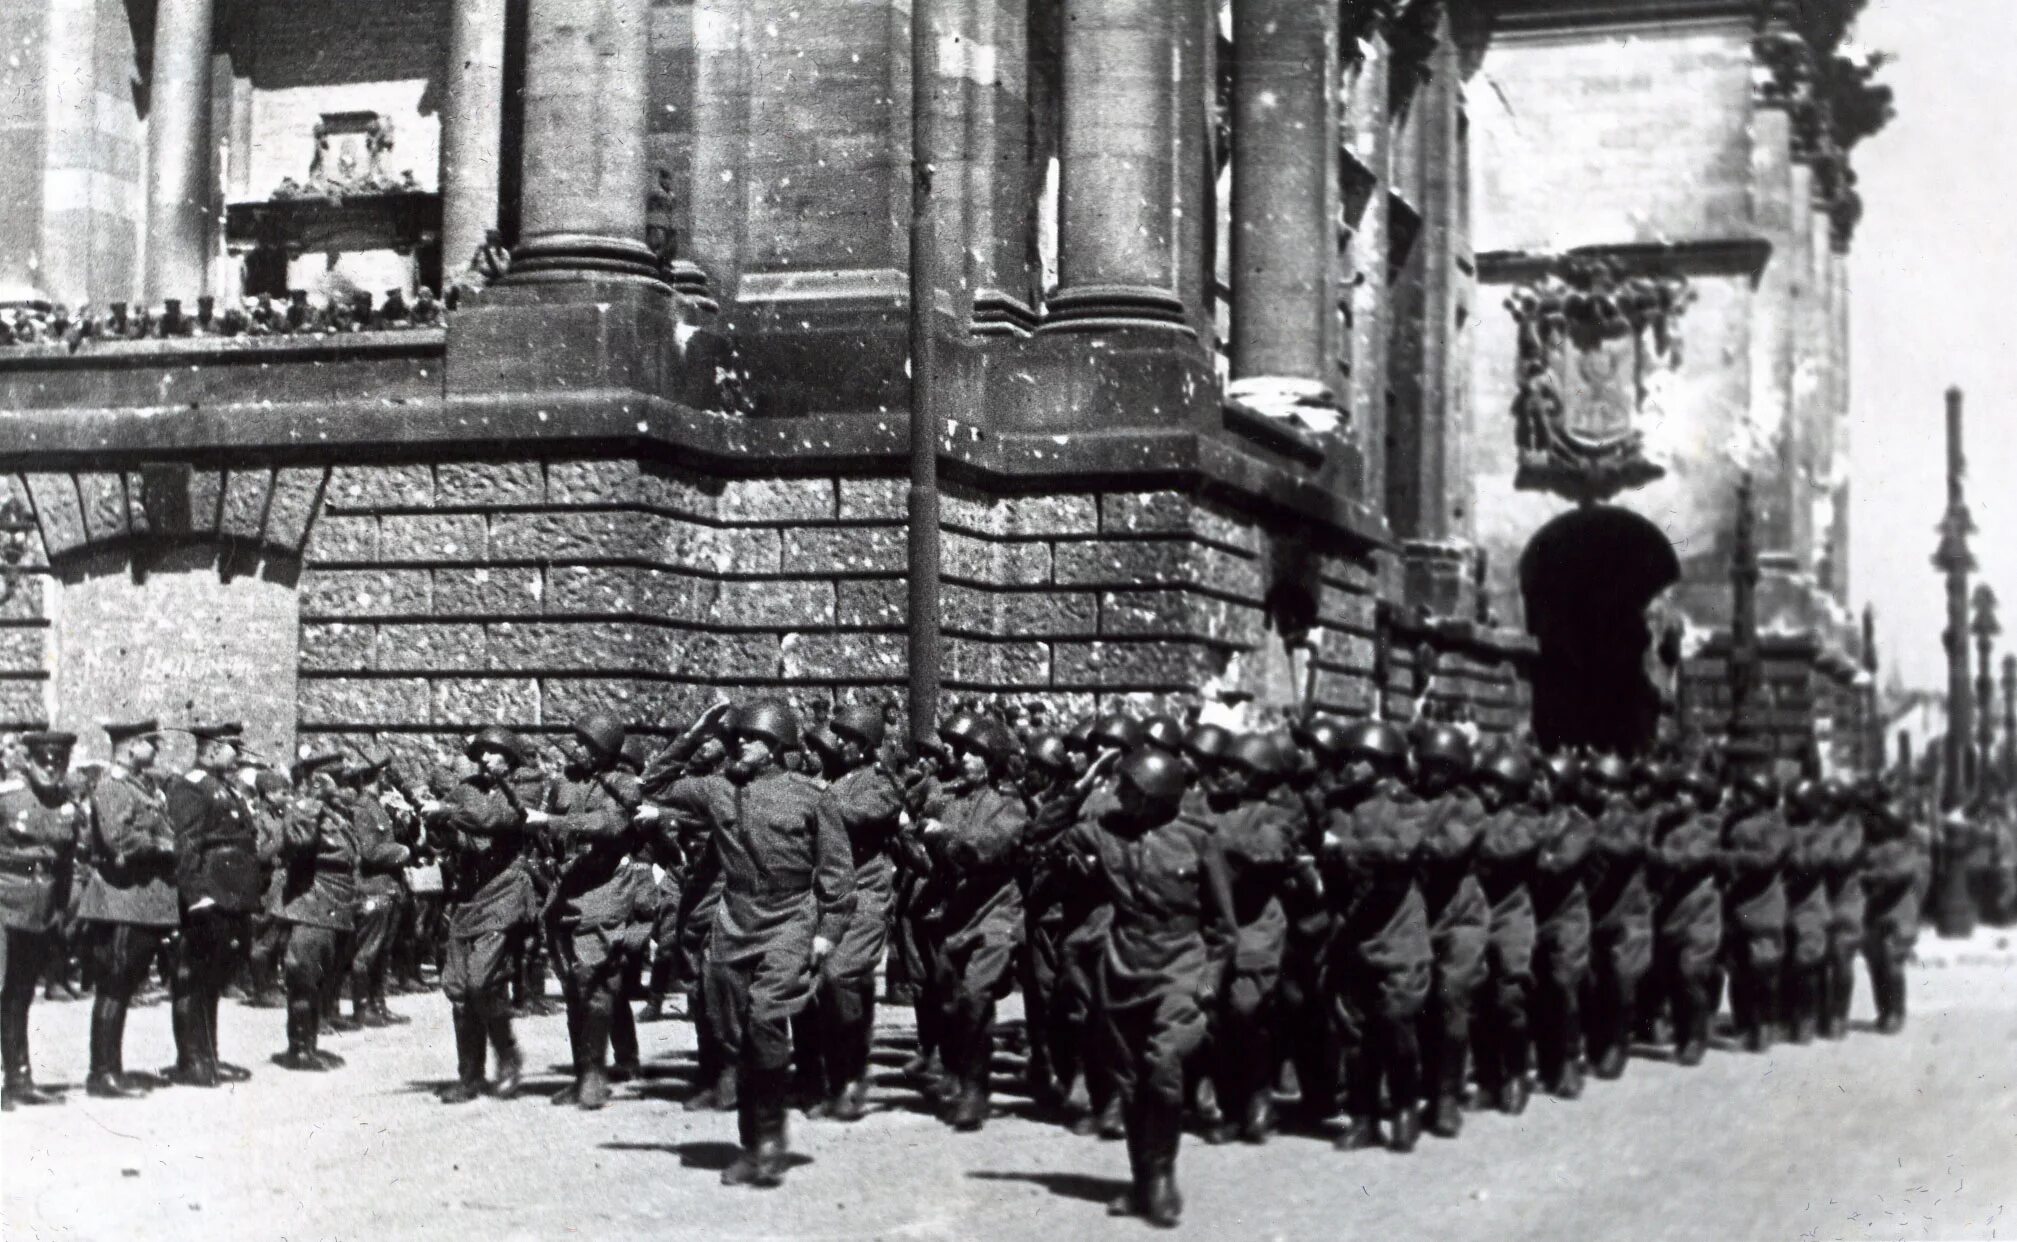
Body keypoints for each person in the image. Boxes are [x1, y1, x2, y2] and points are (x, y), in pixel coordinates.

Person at [1028, 746, 1233, 1227]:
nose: (1116, 794)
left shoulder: (1198, 840)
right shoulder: (1105, 830)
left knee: (1163, 1068)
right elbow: (1039, 835)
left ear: (1153, 796)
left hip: (1180, 966)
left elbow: (1224, 929)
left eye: (1126, 788)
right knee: (1132, 1082)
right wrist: (1080, 784)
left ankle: (1162, 1177)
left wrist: (1209, 979)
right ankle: (1143, 1182)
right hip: (1121, 968)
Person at [655, 700, 855, 1189]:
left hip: (791, 916)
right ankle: (752, 1142)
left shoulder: (810, 798)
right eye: (737, 737)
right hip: (736, 918)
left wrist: (828, 933)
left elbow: (837, 876)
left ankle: (767, 1143)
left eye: (753, 738)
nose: (741, 744)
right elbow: (653, 787)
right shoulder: (717, 789)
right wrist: (693, 731)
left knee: (766, 1019)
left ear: (778, 747)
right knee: (736, 1036)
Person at [906, 713, 1027, 1132]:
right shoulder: (948, 801)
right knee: (947, 999)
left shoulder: (1008, 805)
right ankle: (956, 1072)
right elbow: (937, 858)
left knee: (976, 999)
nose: (963, 759)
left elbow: (986, 850)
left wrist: (942, 838)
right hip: (954, 915)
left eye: (974, 752)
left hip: (995, 913)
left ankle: (975, 1090)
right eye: (961, 752)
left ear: (991, 759)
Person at [1317, 720, 1433, 1153]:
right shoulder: (1339, 809)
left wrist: (1345, 850)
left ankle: (1404, 1105)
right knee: (1355, 1031)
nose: (1350, 767)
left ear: (1385, 763)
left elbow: (1401, 851)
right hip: (1352, 932)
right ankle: (1363, 1116)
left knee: (1397, 1023)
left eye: (1360, 758)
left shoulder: (1410, 807)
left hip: (1398, 931)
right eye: (1346, 758)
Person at [420, 725, 544, 1103]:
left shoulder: (527, 785)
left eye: (492, 752)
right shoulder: (469, 788)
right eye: (481, 754)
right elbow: (467, 840)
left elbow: (497, 821)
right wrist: (439, 826)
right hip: (470, 897)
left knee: (480, 981)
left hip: (505, 892)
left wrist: (450, 810)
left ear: (510, 756)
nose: (485, 759)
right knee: (459, 990)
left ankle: (508, 1058)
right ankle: (470, 1074)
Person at [530, 713, 644, 1111]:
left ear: (603, 750)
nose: (576, 750)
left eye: (585, 744)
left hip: (604, 891)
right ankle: (582, 1073)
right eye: (576, 742)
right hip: (566, 892)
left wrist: (557, 822)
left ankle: (596, 1073)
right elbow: (547, 831)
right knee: (573, 988)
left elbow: (610, 824)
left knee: (596, 981)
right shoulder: (563, 783)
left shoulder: (624, 783)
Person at [1197, 732, 1297, 1146]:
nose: (1225, 775)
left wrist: (1214, 842)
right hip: (1213, 926)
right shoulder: (1207, 809)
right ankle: (1231, 1105)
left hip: (1256, 926)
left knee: (1247, 1008)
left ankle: (1259, 1096)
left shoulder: (1274, 815)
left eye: (1237, 770)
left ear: (1259, 777)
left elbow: (1268, 854)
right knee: (1215, 1016)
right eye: (1224, 767)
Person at [804, 705, 903, 1121]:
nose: (838, 743)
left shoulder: (879, 784)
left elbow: (862, 814)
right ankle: (831, 1077)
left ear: (865, 746)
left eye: (847, 738)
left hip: (865, 893)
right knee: (821, 983)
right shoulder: (832, 782)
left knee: (839, 975)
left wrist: (817, 802)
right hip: (824, 893)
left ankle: (849, 1077)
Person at [75, 721, 180, 1098]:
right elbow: (118, 838)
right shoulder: (113, 785)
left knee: (123, 985)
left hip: (138, 901)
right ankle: (101, 1073)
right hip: (120, 901)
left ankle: (110, 1069)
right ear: (132, 745)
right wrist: (162, 845)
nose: (157, 750)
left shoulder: (138, 786)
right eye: (152, 743)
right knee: (114, 985)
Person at [163, 722, 264, 1088]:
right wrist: (196, 897)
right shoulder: (191, 786)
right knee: (192, 977)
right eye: (231, 748)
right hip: (208, 894)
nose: (237, 755)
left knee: (211, 979)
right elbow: (186, 845)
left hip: (229, 894)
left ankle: (208, 1055)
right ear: (211, 749)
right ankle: (192, 1059)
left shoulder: (224, 788)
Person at [1412, 725, 1488, 1136]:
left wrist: (1396, 839)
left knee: (1452, 999)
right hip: (1417, 914)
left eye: (1443, 766)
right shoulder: (1409, 798)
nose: (1433, 773)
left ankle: (1446, 1096)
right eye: (1428, 764)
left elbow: (1448, 848)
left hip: (1461, 915)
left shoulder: (1467, 805)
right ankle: (1418, 1088)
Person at [1, 731, 81, 1108]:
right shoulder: (8, 800)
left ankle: (18, 1079)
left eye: (59, 763)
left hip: (39, 912)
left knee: (19, 996)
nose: (51, 770)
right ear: (28, 762)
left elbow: (64, 865)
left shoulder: (67, 806)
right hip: (3, 905)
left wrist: (61, 913)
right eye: (44, 763)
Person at [1470, 744, 1540, 1113]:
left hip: (1512, 915)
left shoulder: (1527, 820)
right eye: (1486, 783)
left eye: (1499, 785)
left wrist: (1468, 836)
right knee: (1478, 999)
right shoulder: (1476, 812)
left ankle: (1516, 1074)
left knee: (1509, 996)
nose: (1489, 791)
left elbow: (1503, 850)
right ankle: (1486, 1077)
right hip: (1476, 912)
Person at [1579, 754, 1654, 1081]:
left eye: (1602, 784)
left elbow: (1628, 847)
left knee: (1621, 978)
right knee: (1596, 981)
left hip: (1628, 912)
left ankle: (1618, 1044)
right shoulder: (1586, 816)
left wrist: (1592, 840)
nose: (1596, 790)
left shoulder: (1628, 817)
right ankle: (1598, 1042)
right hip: (1596, 911)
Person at [1647, 766, 1724, 1066]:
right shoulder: (1665, 824)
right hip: (1670, 913)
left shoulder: (1710, 827)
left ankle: (1696, 1037)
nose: (1682, 797)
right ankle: (1682, 1035)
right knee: (1673, 978)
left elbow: (1684, 861)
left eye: (1690, 792)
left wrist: (1648, 853)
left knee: (1690, 972)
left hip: (1700, 911)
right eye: (1679, 790)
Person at [1530, 751, 1594, 1098]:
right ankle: (1546, 1062)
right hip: (1536, 914)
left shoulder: (1579, 823)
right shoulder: (1531, 818)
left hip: (1567, 915)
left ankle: (1570, 1059)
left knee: (1564, 983)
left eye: (1546, 779)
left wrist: (1531, 854)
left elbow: (1560, 863)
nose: (1538, 785)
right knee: (1539, 989)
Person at [1858, 781, 1930, 1034]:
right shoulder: (1870, 844)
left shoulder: (1909, 843)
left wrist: (1870, 876)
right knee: (1876, 962)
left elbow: (1902, 872)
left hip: (1900, 911)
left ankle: (1896, 1012)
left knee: (1892, 962)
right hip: (1874, 911)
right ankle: (1884, 1010)